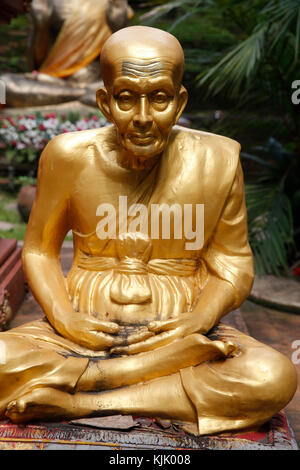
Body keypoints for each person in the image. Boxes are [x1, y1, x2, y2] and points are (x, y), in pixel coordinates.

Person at [0, 26, 296, 436]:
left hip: (180, 334)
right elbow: (39, 250)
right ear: (104, 102)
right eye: (125, 98)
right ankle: (150, 382)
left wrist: (199, 320)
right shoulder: (67, 157)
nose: (142, 117)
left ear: (179, 102)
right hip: (85, 332)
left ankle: (84, 400)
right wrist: (65, 317)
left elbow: (232, 262)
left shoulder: (219, 159)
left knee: (271, 376)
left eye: (158, 97)